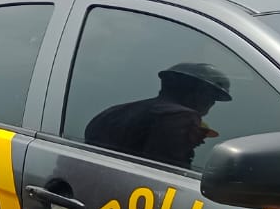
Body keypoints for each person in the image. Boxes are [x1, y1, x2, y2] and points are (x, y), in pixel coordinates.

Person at [84, 62, 232, 169]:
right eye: (211, 95)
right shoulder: (181, 116)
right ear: (195, 92)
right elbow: (170, 172)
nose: (213, 102)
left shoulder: (112, 112)